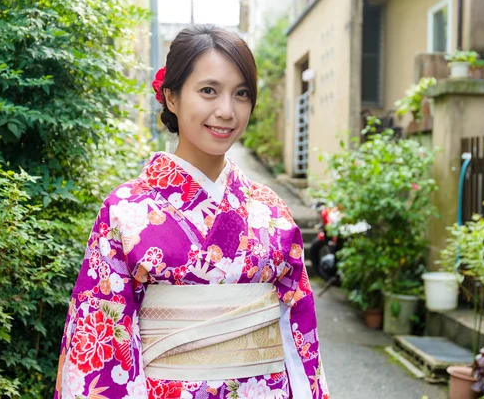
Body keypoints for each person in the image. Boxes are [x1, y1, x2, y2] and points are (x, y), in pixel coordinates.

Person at [54, 24, 329, 399]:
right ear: (171, 97)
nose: (227, 111)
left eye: (241, 94)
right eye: (209, 91)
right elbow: (99, 337)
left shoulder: (272, 211)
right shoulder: (126, 211)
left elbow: (299, 339)